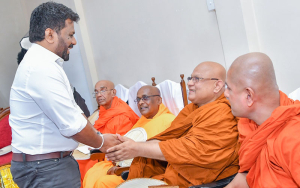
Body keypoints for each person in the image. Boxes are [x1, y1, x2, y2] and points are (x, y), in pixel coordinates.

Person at [9, 2, 119, 188]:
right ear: (50, 34)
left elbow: (75, 112)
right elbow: (72, 125)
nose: (74, 41)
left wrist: (98, 135)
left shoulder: (44, 63)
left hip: (46, 165)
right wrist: (101, 142)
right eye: (70, 35)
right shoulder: (41, 67)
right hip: (46, 168)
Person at [106, 62, 240, 188]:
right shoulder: (191, 109)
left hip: (199, 180)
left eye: (196, 79)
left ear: (217, 86)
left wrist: (138, 148)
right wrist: (135, 146)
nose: (189, 83)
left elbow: (192, 150)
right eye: (190, 78)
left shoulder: (222, 112)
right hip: (173, 172)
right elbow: (168, 138)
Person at [224, 52, 300, 188]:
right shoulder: (250, 124)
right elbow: (246, 176)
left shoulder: (294, 136)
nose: (225, 94)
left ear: (249, 96)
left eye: (229, 88)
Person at [83, 85, 176, 188]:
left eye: (145, 98)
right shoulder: (143, 120)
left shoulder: (168, 121)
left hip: (145, 171)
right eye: (138, 99)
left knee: (103, 182)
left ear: (158, 100)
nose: (140, 102)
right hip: (124, 164)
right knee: (93, 172)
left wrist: (125, 168)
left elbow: (165, 154)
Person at [77, 80, 140, 184]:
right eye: (96, 92)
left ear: (114, 92)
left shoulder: (122, 115)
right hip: (99, 148)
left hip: (111, 157)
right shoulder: (103, 110)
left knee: (82, 165)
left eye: (103, 91)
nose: (99, 95)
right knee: (76, 162)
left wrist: (98, 145)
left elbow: (121, 143)